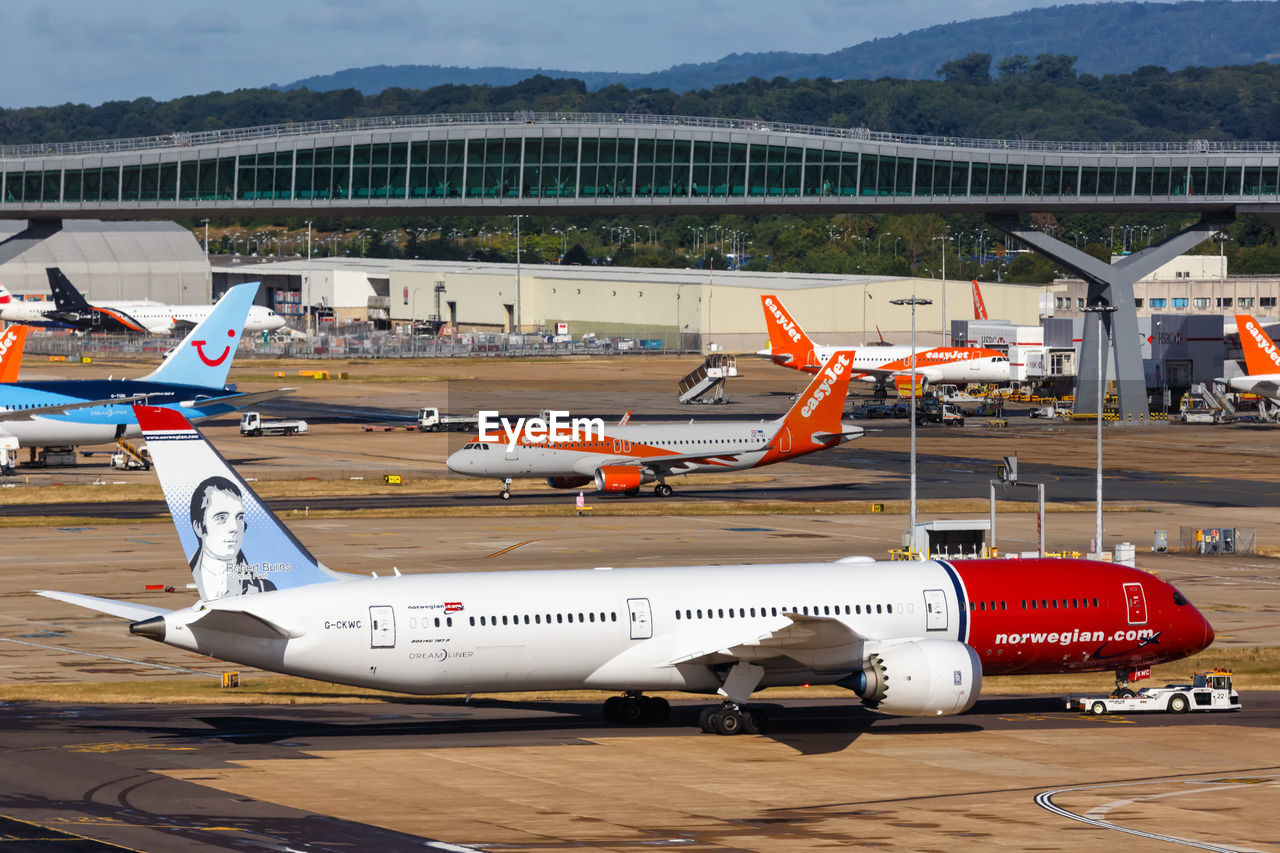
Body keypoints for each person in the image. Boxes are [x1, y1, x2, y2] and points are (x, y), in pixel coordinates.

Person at [188, 476, 276, 599]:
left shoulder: (264, 588)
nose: (235, 527)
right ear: (198, 527)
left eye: (239, 517)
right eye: (221, 518)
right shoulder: (265, 592)